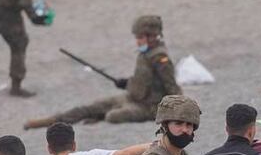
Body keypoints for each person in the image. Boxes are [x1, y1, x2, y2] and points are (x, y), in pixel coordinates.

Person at [23, 15, 181, 129]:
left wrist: (178, 113)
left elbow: (172, 87)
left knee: (113, 116)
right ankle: (53, 120)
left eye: (140, 37)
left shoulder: (161, 58)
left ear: (152, 36)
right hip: (132, 97)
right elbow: (144, 81)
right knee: (92, 106)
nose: (137, 41)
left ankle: (98, 116)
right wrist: (127, 83)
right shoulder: (145, 53)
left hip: (148, 107)